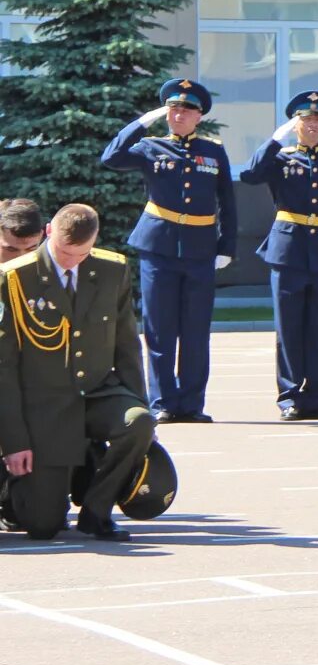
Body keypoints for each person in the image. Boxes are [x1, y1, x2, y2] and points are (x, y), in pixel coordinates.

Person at [0, 204, 156, 540]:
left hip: (97, 393)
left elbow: (127, 346)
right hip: (45, 408)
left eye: (81, 254)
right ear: (49, 233)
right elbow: (5, 367)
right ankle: (13, 493)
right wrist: (14, 443)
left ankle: (97, 511)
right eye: (64, 253)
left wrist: (142, 413)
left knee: (138, 421)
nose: (72, 261)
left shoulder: (112, 269)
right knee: (44, 526)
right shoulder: (14, 277)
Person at [99, 78, 236, 423]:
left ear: (199, 116)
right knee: (159, 330)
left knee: (195, 330)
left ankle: (191, 405)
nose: (179, 114)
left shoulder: (213, 151)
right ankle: (162, 402)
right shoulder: (150, 146)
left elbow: (228, 202)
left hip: (201, 249)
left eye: (187, 109)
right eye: (174, 108)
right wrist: (144, 120)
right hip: (158, 248)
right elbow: (111, 156)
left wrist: (226, 246)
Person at [239, 90, 318, 421]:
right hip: (288, 251)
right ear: (296, 123)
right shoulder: (281, 158)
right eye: (306, 119)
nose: (313, 124)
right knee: (289, 327)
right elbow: (250, 174)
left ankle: (314, 397)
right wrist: (275, 139)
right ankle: (289, 396)